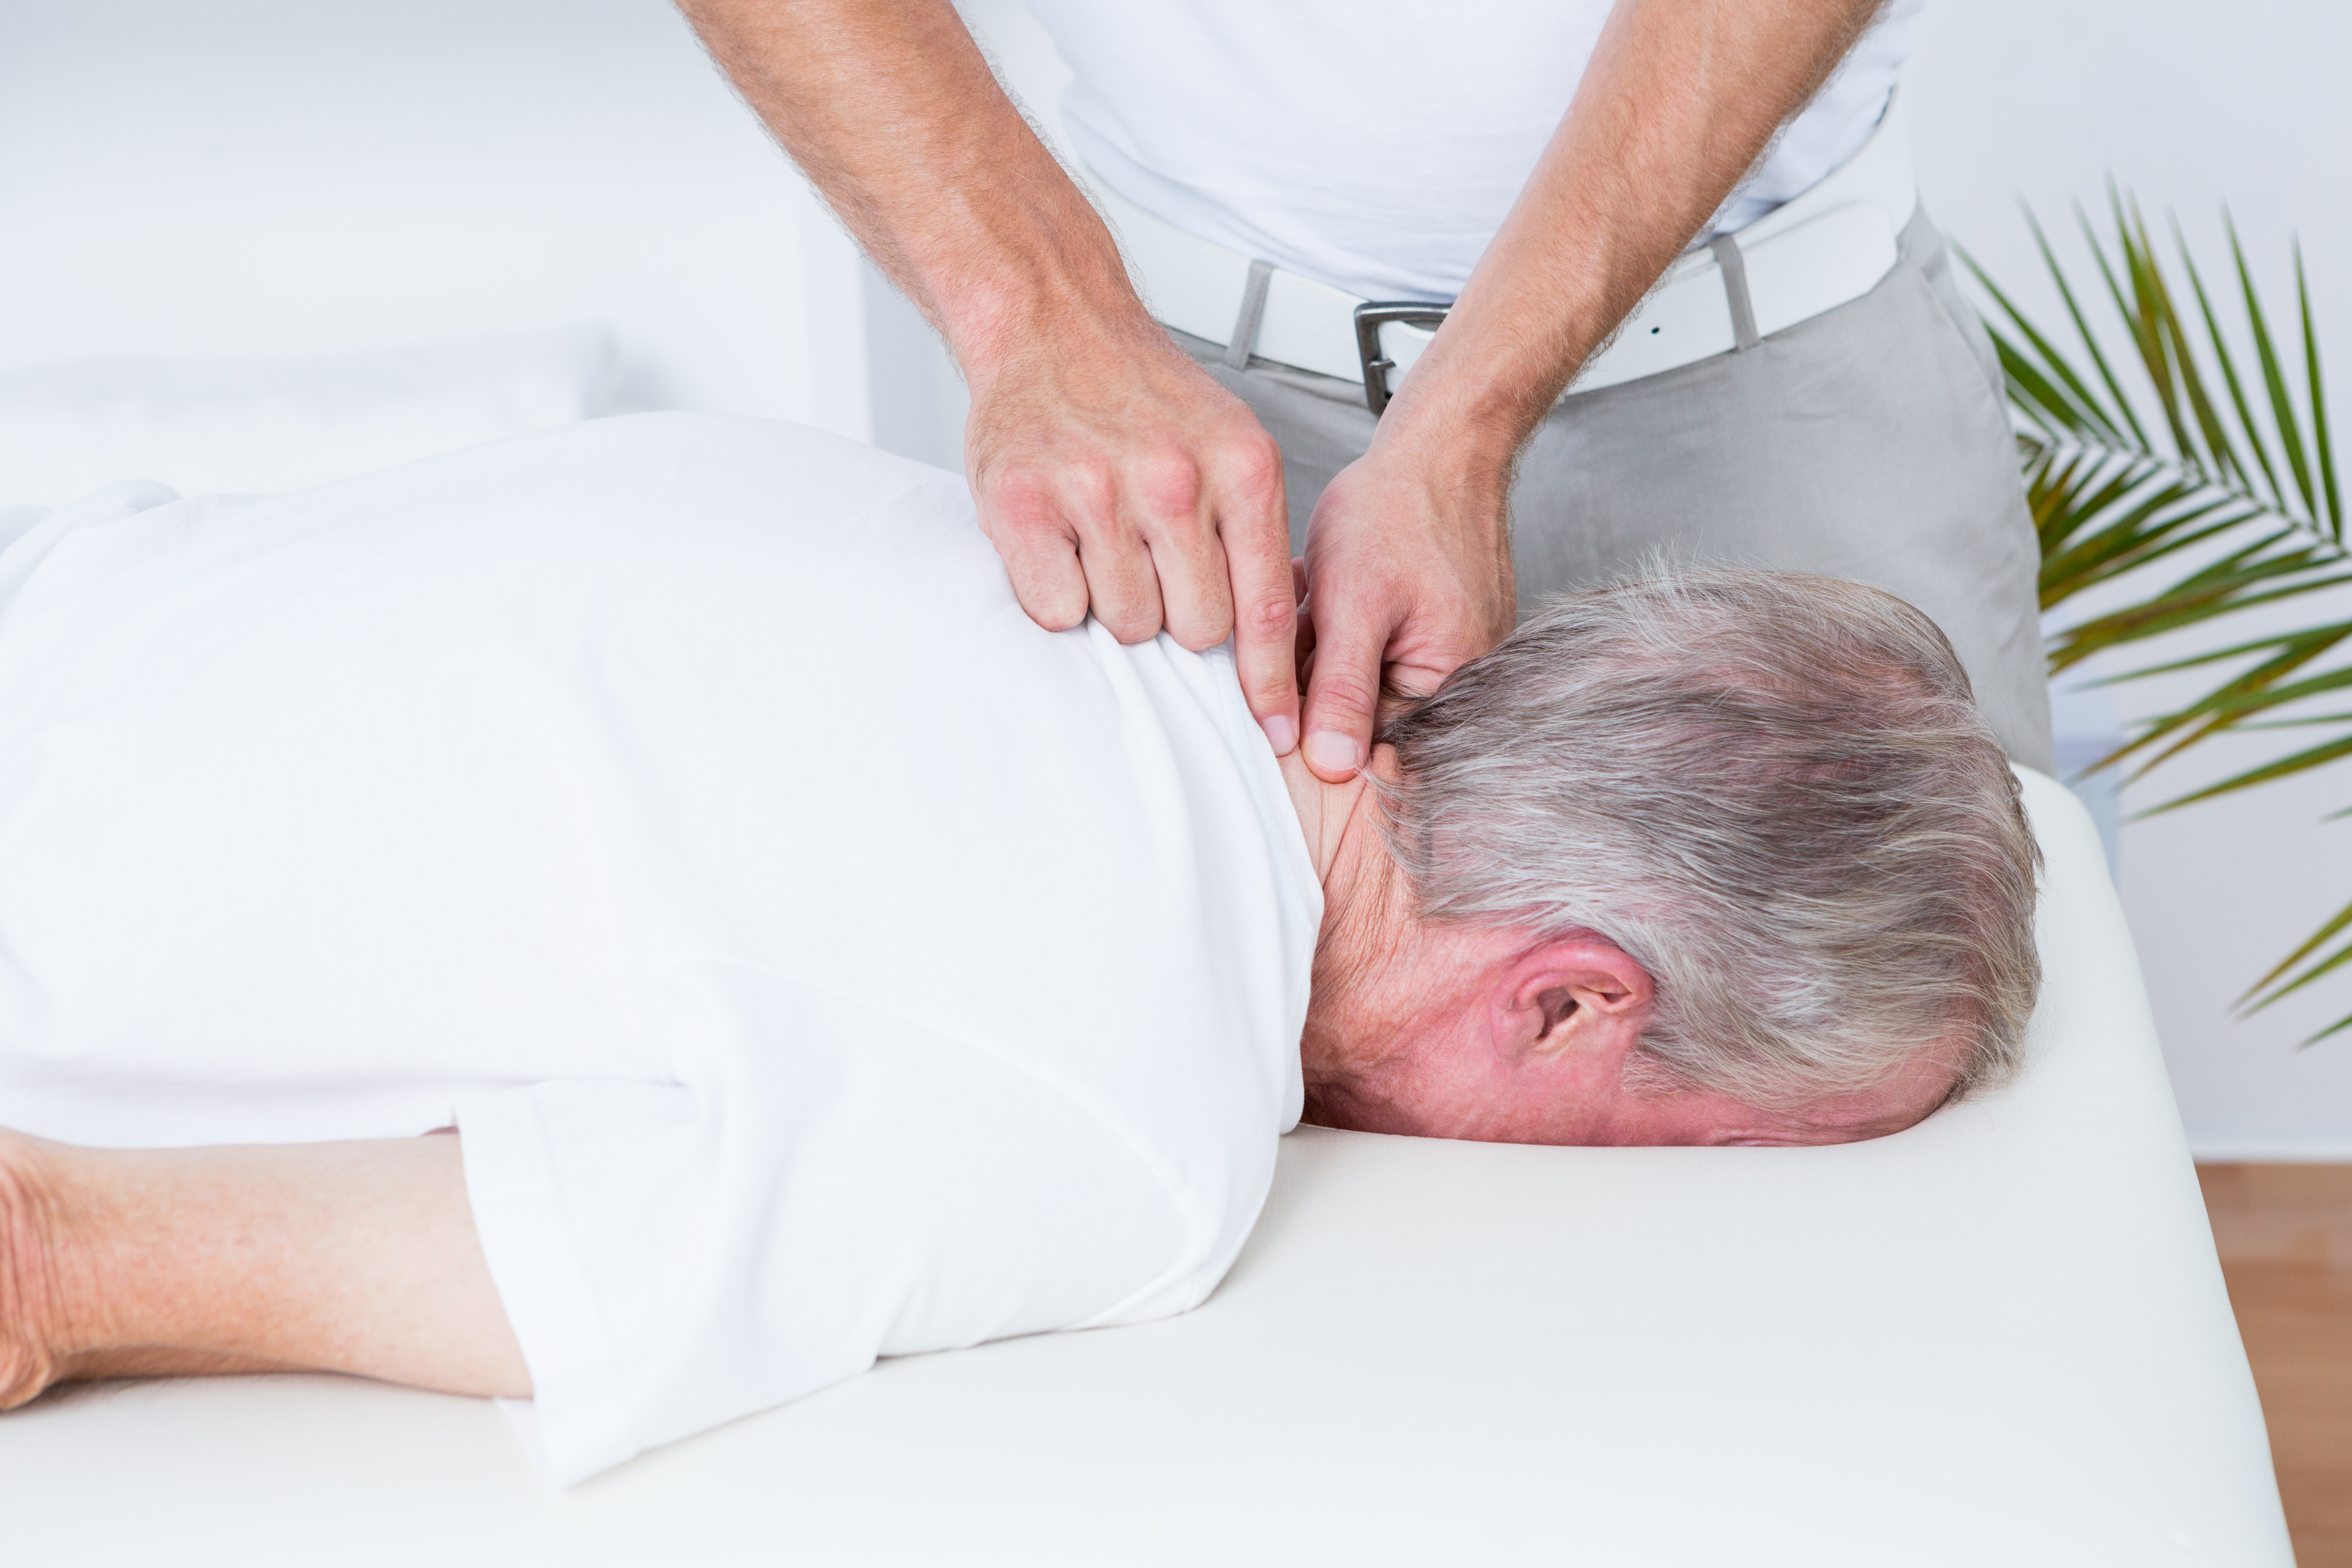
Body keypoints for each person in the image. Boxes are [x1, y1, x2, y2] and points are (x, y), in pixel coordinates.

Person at [0, 414, 2038, 1483]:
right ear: (1574, 996)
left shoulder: (1062, 553)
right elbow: (54, 1261)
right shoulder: (1126, 1127)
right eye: (1719, 1148)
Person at [674, 0, 2054, 790]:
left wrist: (1463, 426)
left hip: (1775, 395)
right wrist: (1039, 326)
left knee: (1914, 1153)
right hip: (1178, 436)